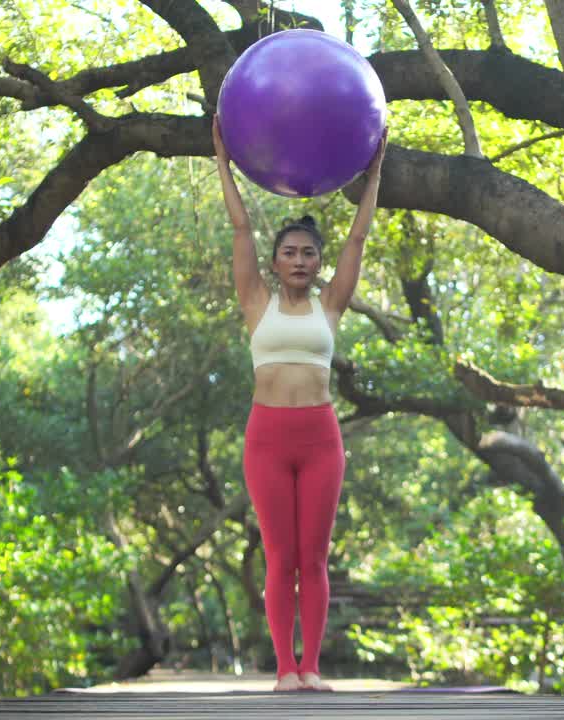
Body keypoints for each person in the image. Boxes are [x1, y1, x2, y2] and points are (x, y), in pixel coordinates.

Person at [212, 115, 386, 692]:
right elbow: (239, 226)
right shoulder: (255, 300)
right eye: (289, 252)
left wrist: (375, 169)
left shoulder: (330, 305)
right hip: (267, 438)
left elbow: (358, 238)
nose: (300, 260)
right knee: (279, 555)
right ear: (275, 261)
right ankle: (284, 671)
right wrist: (223, 159)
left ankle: (310, 666)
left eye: (309, 253)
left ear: (317, 262)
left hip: (320, 439)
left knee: (313, 557)